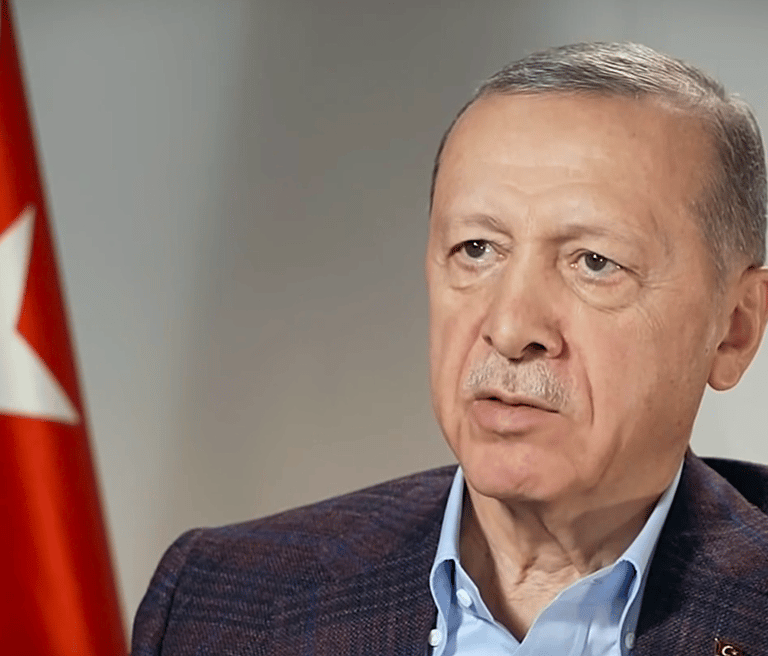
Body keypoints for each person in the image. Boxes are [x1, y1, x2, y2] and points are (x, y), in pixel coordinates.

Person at [132, 42, 768, 656]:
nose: (510, 328)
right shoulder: (223, 604)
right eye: (476, 249)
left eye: (595, 262)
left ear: (735, 329)